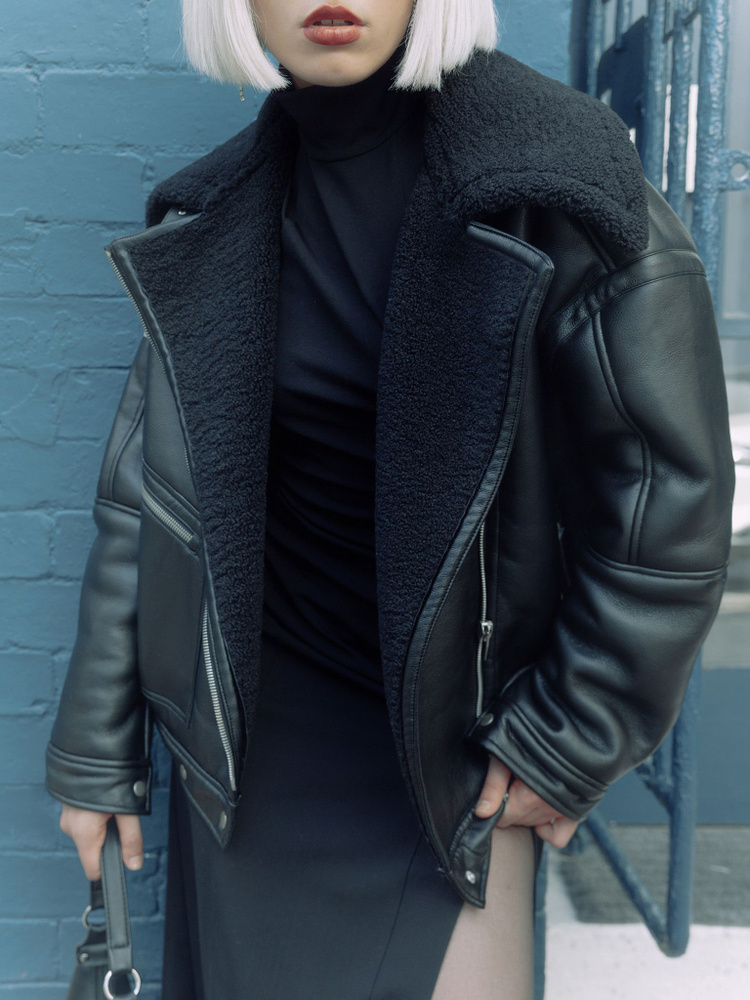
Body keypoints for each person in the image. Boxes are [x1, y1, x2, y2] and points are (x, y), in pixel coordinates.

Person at [44, 1, 735, 997]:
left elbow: (671, 494)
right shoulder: (224, 213)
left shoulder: (553, 175)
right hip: (256, 759)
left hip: (449, 765)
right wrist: (97, 752)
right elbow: (144, 499)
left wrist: (570, 735)